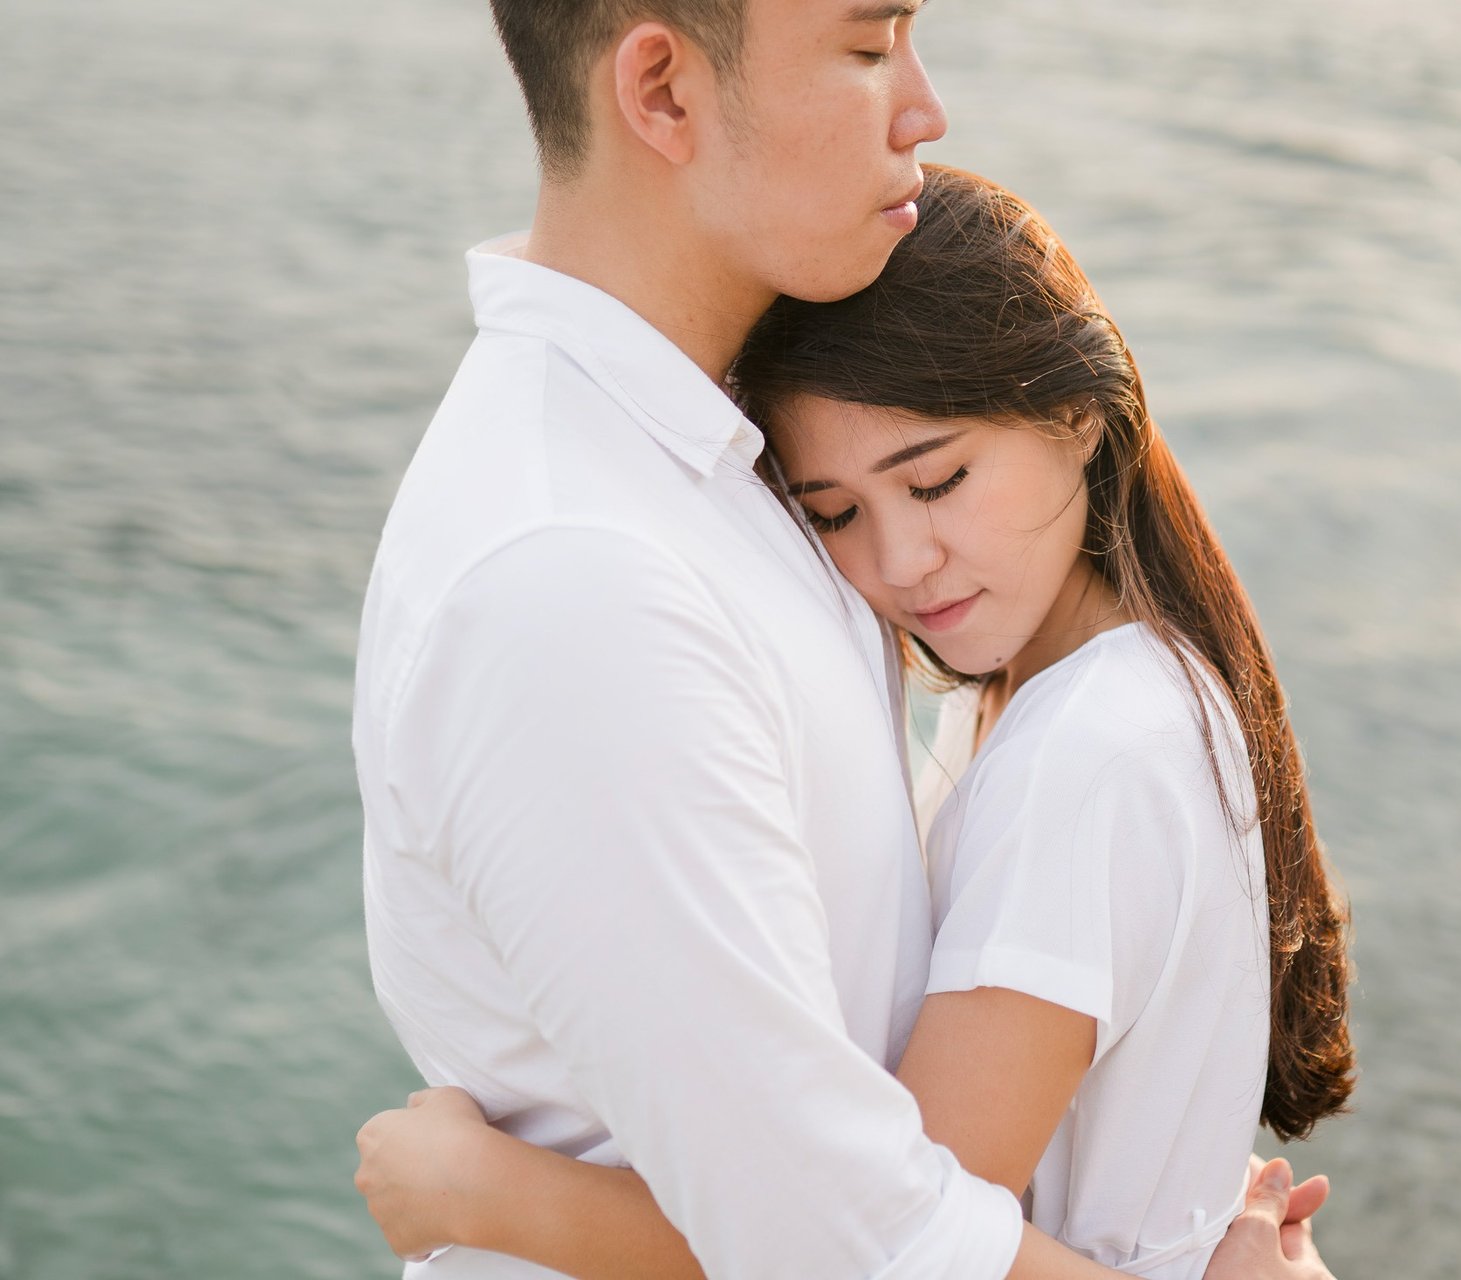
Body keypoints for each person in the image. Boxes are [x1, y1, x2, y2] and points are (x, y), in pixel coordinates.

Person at [354, 155, 1352, 1280]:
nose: (902, 560)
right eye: (833, 514)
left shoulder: (1090, 749)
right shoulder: (1106, 689)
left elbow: (876, 1238)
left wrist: (490, 1194)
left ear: (1078, 412)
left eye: (936, 481)